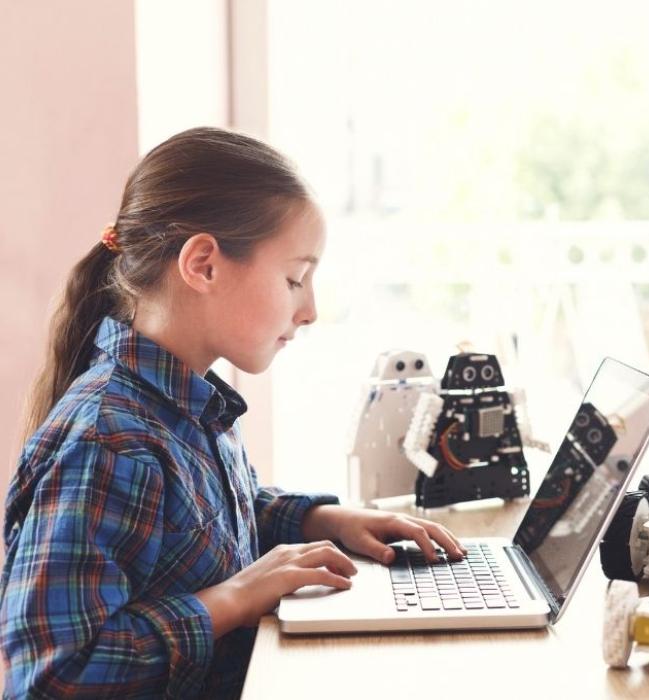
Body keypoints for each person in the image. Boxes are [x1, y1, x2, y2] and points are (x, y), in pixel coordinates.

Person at [0, 127, 467, 699]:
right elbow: (51, 679)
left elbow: (207, 519)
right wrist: (231, 600)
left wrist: (328, 520)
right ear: (203, 265)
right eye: (295, 278)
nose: (311, 310)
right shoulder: (108, 442)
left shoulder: (188, 403)